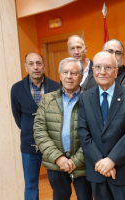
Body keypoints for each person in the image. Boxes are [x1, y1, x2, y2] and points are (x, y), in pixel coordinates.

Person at [77, 52, 125, 200]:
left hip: (124, 172)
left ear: (116, 71)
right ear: (93, 70)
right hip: (98, 171)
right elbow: (83, 132)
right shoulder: (85, 97)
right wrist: (100, 162)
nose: (102, 72)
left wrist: (111, 160)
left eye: (108, 67)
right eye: (98, 67)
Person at [33, 58, 92, 200]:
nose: (69, 76)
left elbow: (95, 135)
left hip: (83, 165)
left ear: (81, 77)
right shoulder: (47, 100)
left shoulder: (91, 99)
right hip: (55, 164)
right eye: (65, 72)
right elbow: (39, 131)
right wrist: (58, 158)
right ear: (60, 75)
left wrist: (75, 161)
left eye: (73, 73)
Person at [11, 52, 60, 200]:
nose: (35, 67)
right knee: (31, 184)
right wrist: (30, 129)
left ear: (44, 66)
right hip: (29, 145)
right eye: (31, 64)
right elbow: (18, 116)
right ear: (26, 67)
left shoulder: (56, 87)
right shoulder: (17, 89)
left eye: (38, 63)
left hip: (53, 145)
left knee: (57, 184)